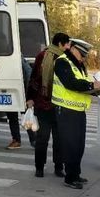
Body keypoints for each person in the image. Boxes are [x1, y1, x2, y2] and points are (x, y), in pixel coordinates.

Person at [52, 38, 100, 189]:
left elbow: (81, 85)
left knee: (79, 145)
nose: (83, 57)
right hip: (66, 110)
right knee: (70, 145)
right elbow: (70, 82)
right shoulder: (62, 62)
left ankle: (76, 174)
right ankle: (69, 177)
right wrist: (90, 85)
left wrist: (95, 90)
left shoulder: (78, 65)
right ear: (73, 49)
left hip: (79, 110)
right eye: (81, 54)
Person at [27, 32, 70, 178]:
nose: (68, 47)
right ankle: (39, 167)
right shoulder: (42, 56)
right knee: (42, 138)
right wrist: (30, 98)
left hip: (59, 105)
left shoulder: (65, 59)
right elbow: (34, 78)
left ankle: (59, 167)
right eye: (67, 44)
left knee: (59, 140)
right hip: (43, 104)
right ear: (60, 44)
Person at [6, 55, 36, 149]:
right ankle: (19, 140)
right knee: (13, 116)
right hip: (11, 90)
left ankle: (32, 140)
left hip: (21, 91)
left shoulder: (17, 56)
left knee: (25, 116)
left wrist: (28, 94)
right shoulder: (15, 55)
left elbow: (28, 73)